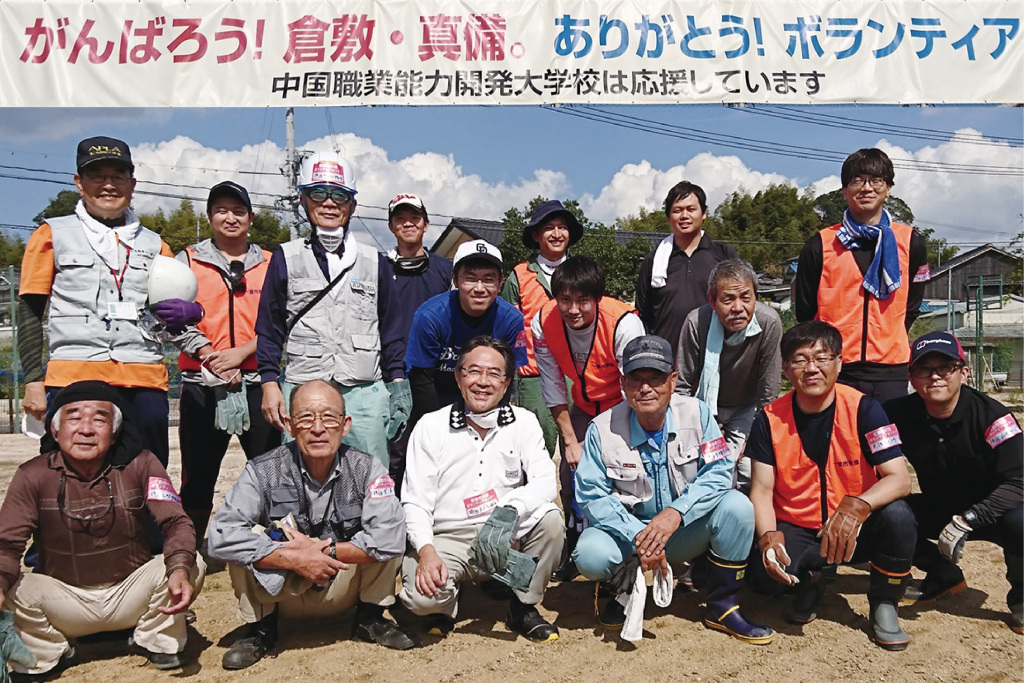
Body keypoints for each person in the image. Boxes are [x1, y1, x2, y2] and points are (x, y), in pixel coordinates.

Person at [573, 335, 773, 644]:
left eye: (656, 378)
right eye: (636, 379)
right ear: (623, 384)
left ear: (673, 380)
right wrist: (639, 535)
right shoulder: (601, 428)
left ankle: (722, 605)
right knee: (590, 554)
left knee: (737, 507)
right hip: (629, 535)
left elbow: (720, 472)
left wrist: (676, 513)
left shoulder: (698, 413)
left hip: (681, 530)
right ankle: (620, 591)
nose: (646, 388)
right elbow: (592, 495)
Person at [0, 381, 205, 678]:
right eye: (73, 418)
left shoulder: (142, 464)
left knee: (190, 562)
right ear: (55, 431)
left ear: (115, 431)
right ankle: (48, 652)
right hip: (64, 602)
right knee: (13, 587)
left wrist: (179, 571)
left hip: (131, 595)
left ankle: (155, 639)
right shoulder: (31, 475)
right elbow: (7, 543)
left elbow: (176, 523)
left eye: (99, 419)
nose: (86, 429)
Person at [17, 136, 199, 467]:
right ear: (79, 182)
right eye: (97, 176)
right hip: (73, 374)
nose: (108, 185)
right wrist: (32, 379)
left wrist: (189, 314)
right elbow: (30, 311)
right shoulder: (51, 234)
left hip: (143, 376)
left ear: (132, 184)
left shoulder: (155, 244)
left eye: (118, 176)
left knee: (147, 473)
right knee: (70, 476)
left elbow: (162, 321)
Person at [208, 380, 412, 670]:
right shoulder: (261, 470)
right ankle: (260, 629)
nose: (318, 428)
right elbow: (220, 536)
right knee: (245, 536)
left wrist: (322, 553)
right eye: (305, 418)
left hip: (343, 583)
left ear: (345, 425)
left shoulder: (368, 468)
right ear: (290, 425)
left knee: (387, 529)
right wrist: (294, 558)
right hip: (281, 589)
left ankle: (370, 619)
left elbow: (391, 538)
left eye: (329, 417)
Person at [747, 321, 917, 650]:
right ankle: (811, 582)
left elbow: (899, 478)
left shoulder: (866, 408)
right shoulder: (768, 419)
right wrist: (768, 538)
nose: (811, 368)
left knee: (899, 516)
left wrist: (859, 506)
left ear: (839, 363)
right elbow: (762, 491)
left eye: (822, 358)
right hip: (799, 526)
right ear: (786, 369)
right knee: (763, 577)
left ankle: (884, 601)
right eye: (799, 360)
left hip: (857, 528)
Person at [400, 337, 563, 643]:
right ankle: (445, 602)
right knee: (422, 600)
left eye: (494, 374)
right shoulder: (430, 426)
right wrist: (426, 551)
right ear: (458, 376)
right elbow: (415, 501)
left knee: (551, 520)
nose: (483, 382)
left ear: (507, 383)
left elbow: (544, 481)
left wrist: (511, 508)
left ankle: (522, 607)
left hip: (503, 534)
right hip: (448, 537)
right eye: (473, 371)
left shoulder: (524, 422)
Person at [255, 151, 389, 467]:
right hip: (304, 386)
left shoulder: (375, 261)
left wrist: (397, 386)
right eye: (318, 193)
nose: (329, 203)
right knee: (302, 475)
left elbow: (392, 330)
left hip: (364, 391)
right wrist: (269, 383)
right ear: (304, 200)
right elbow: (270, 328)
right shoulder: (286, 257)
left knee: (372, 476)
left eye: (339, 195)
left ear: (352, 204)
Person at [884, 331, 1023, 633]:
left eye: (945, 367)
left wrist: (970, 518)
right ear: (911, 377)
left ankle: (1022, 599)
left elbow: (1020, 482)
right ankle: (942, 574)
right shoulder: (896, 414)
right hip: (940, 507)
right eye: (924, 369)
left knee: (1022, 520)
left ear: (964, 372)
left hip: (994, 512)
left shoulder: (994, 417)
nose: (935, 376)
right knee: (887, 514)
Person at [171, 181, 282, 546]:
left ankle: (280, 545)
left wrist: (244, 352)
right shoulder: (187, 261)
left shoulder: (271, 263)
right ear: (209, 216)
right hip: (202, 383)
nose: (230, 217)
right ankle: (188, 552)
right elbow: (168, 318)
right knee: (198, 476)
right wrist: (209, 355)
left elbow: (285, 320)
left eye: (239, 211)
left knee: (273, 473)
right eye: (221, 210)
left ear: (251, 218)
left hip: (259, 383)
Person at [532, 255, 645, 579]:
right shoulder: (542, 321)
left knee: (621, 473)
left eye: (583, 300)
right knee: (571, 476)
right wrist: (570, 442)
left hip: (623, 405)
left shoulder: (624, 323)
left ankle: (628, 548)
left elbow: (633, 385)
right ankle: (574, 545)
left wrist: (607, 443)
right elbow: (552, 382)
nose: (573, 309)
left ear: (597, 298)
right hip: (583, 405)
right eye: (565, 299)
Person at [794, 148, 929, 405]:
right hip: (835, 367)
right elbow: (805, 312)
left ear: (888, 188)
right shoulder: (820, 244)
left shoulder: (911, 242)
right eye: (857, 181)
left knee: (890, 432)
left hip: (891, 369)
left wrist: (888, 336)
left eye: (876, 180)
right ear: (844, 191)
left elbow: (912, 306)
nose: (866, 188)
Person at [676, 259, 782, 493]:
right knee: (705, 467)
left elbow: (769, 392)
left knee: (750, 470)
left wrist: (756, 438)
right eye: (728, 299)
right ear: (712, 300)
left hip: (746, 408)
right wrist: (689, 428)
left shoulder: (769, 322)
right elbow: (682, 386)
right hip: (702, 406)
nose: (738, 308)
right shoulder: (696, 322)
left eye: (746, 298)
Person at [404, 239, 527, 424]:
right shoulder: (430, 317)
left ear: (500, 282)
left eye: (489, 279)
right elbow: (421, 380)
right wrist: (440, 426)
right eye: (470, 278)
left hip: (486, 402)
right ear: (455, 279)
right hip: (436, 400)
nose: (479, 288)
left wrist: (491, 420)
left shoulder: (511, 320)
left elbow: (506, 378)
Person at [378, 193, 452, 494]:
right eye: (400, 218)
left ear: (426, 224)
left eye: (414, 218)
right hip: (389, 373)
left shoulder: (445, 269)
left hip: (436, 376)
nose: (408, 223)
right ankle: (391, 513)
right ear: (391, 226)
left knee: (437, 448)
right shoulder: (379, 268)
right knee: (394, 451)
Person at [500, 199, 584, 457]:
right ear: (536, 235)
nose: (557, 234)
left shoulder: (583, 272)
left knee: (582, 446)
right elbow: (508, 331)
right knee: (535, 449)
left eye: (562, 227)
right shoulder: (518, 276)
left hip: (577, 371)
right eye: (549, 228)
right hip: (534, 376)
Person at [635, 181, 739, 354]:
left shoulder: (724, 255)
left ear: (704, 213)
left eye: (691, 209)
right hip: (666, 358)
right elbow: (643, 313)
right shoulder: (654, 260)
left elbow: (739, 304)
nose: (684, 216)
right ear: (668, 217)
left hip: (715, 355)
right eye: (677, 210)